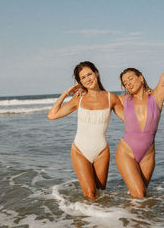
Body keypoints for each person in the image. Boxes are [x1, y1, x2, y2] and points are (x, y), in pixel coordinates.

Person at [116, 25, 164, 198]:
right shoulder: (122, 100)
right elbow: (100, 97)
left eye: (130, 79)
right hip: (126, 151)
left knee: (140, 197)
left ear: (140, 78)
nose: (128, 84)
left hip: (148, 154)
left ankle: (135, 223)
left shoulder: (156, 98)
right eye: (125, 83)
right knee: (139, 193)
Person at [47, 61, 124, 199]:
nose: (88, 79)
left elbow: (128, 119)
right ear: (80, 81)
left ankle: (98, 220)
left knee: (101, 193)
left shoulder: (111, 98)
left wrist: (140, 97)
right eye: (83, 77)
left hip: (102, 152)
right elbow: (52, 115)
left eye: (89, 74)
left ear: (96, 73)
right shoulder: (79, 99)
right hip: (80, 151)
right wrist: (66, 93)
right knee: (90, 195)